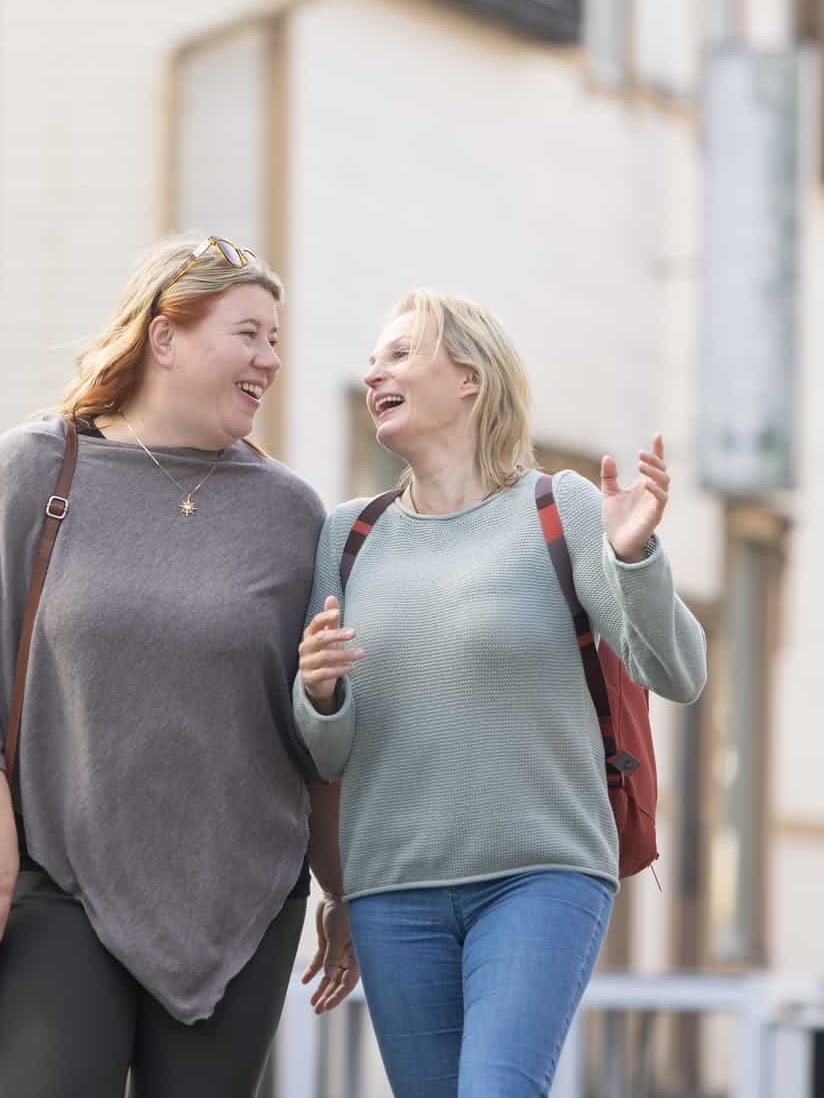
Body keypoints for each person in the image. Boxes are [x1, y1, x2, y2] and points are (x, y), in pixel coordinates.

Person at [0, 236, 360, 1098]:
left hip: (242, 904)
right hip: (53, 884)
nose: (270, 360)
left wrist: (344, 889)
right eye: (248, 334)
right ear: (165, 337)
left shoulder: (292, 514)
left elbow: (315, 724)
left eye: (275, 339)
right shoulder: (33, 472)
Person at [294, 289, 707, 1098]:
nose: (375, 370)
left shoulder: (561, 509)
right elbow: (326, 753)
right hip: (393, 890)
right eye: (374, 358)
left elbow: (680, 672)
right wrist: (320, 691)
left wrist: (635, 557)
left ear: (471, 379)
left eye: (401, 353)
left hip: (540, 874)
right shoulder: (349, 537)